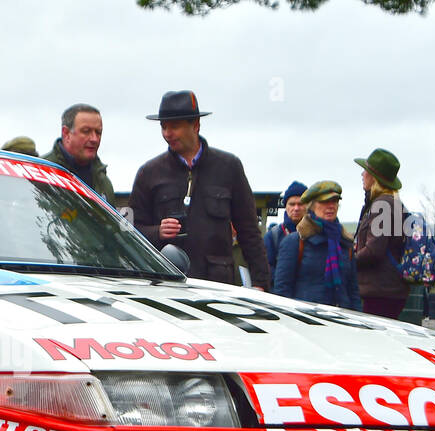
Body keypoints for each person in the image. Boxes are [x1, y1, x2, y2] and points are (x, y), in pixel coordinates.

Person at [129, 89, 269, 288]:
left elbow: (249, 231)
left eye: (174, 126)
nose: (167, 134)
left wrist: (260, 282)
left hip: (218, 287)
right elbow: (128, 230)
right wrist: (157, 232)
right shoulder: (149, 173)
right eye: (163, 127)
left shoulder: (229, 167)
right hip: (167, 286)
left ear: (195, 125)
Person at [272, 180, 360, 308]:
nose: (331, 206)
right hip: (305, 320)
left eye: (335, 201)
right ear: (312, 206)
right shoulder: (295, 241)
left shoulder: (345, 243)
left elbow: (353, 291)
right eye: (324, 202)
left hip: (342, 320)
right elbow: (282, 290)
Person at [352, 148, 410, 319]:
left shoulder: (383, 206)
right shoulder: (392, 204)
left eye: (366, 171)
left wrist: (347, 261)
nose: (362, 174)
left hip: (380, 292)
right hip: (388, 290)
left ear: (374, 177)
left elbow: (374, 250)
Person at [42, 103, 115, 205]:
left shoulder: (102, 181)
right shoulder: (42, 173)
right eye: (86, 131)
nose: (94, 139)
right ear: (66, 133)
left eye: (98, 132)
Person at [264, 180, 306, 284]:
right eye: (292, 204)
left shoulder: (316, 234)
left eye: (300, 204)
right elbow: (266, 267)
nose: (296, 208)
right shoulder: (272, 236)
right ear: (285, 206)